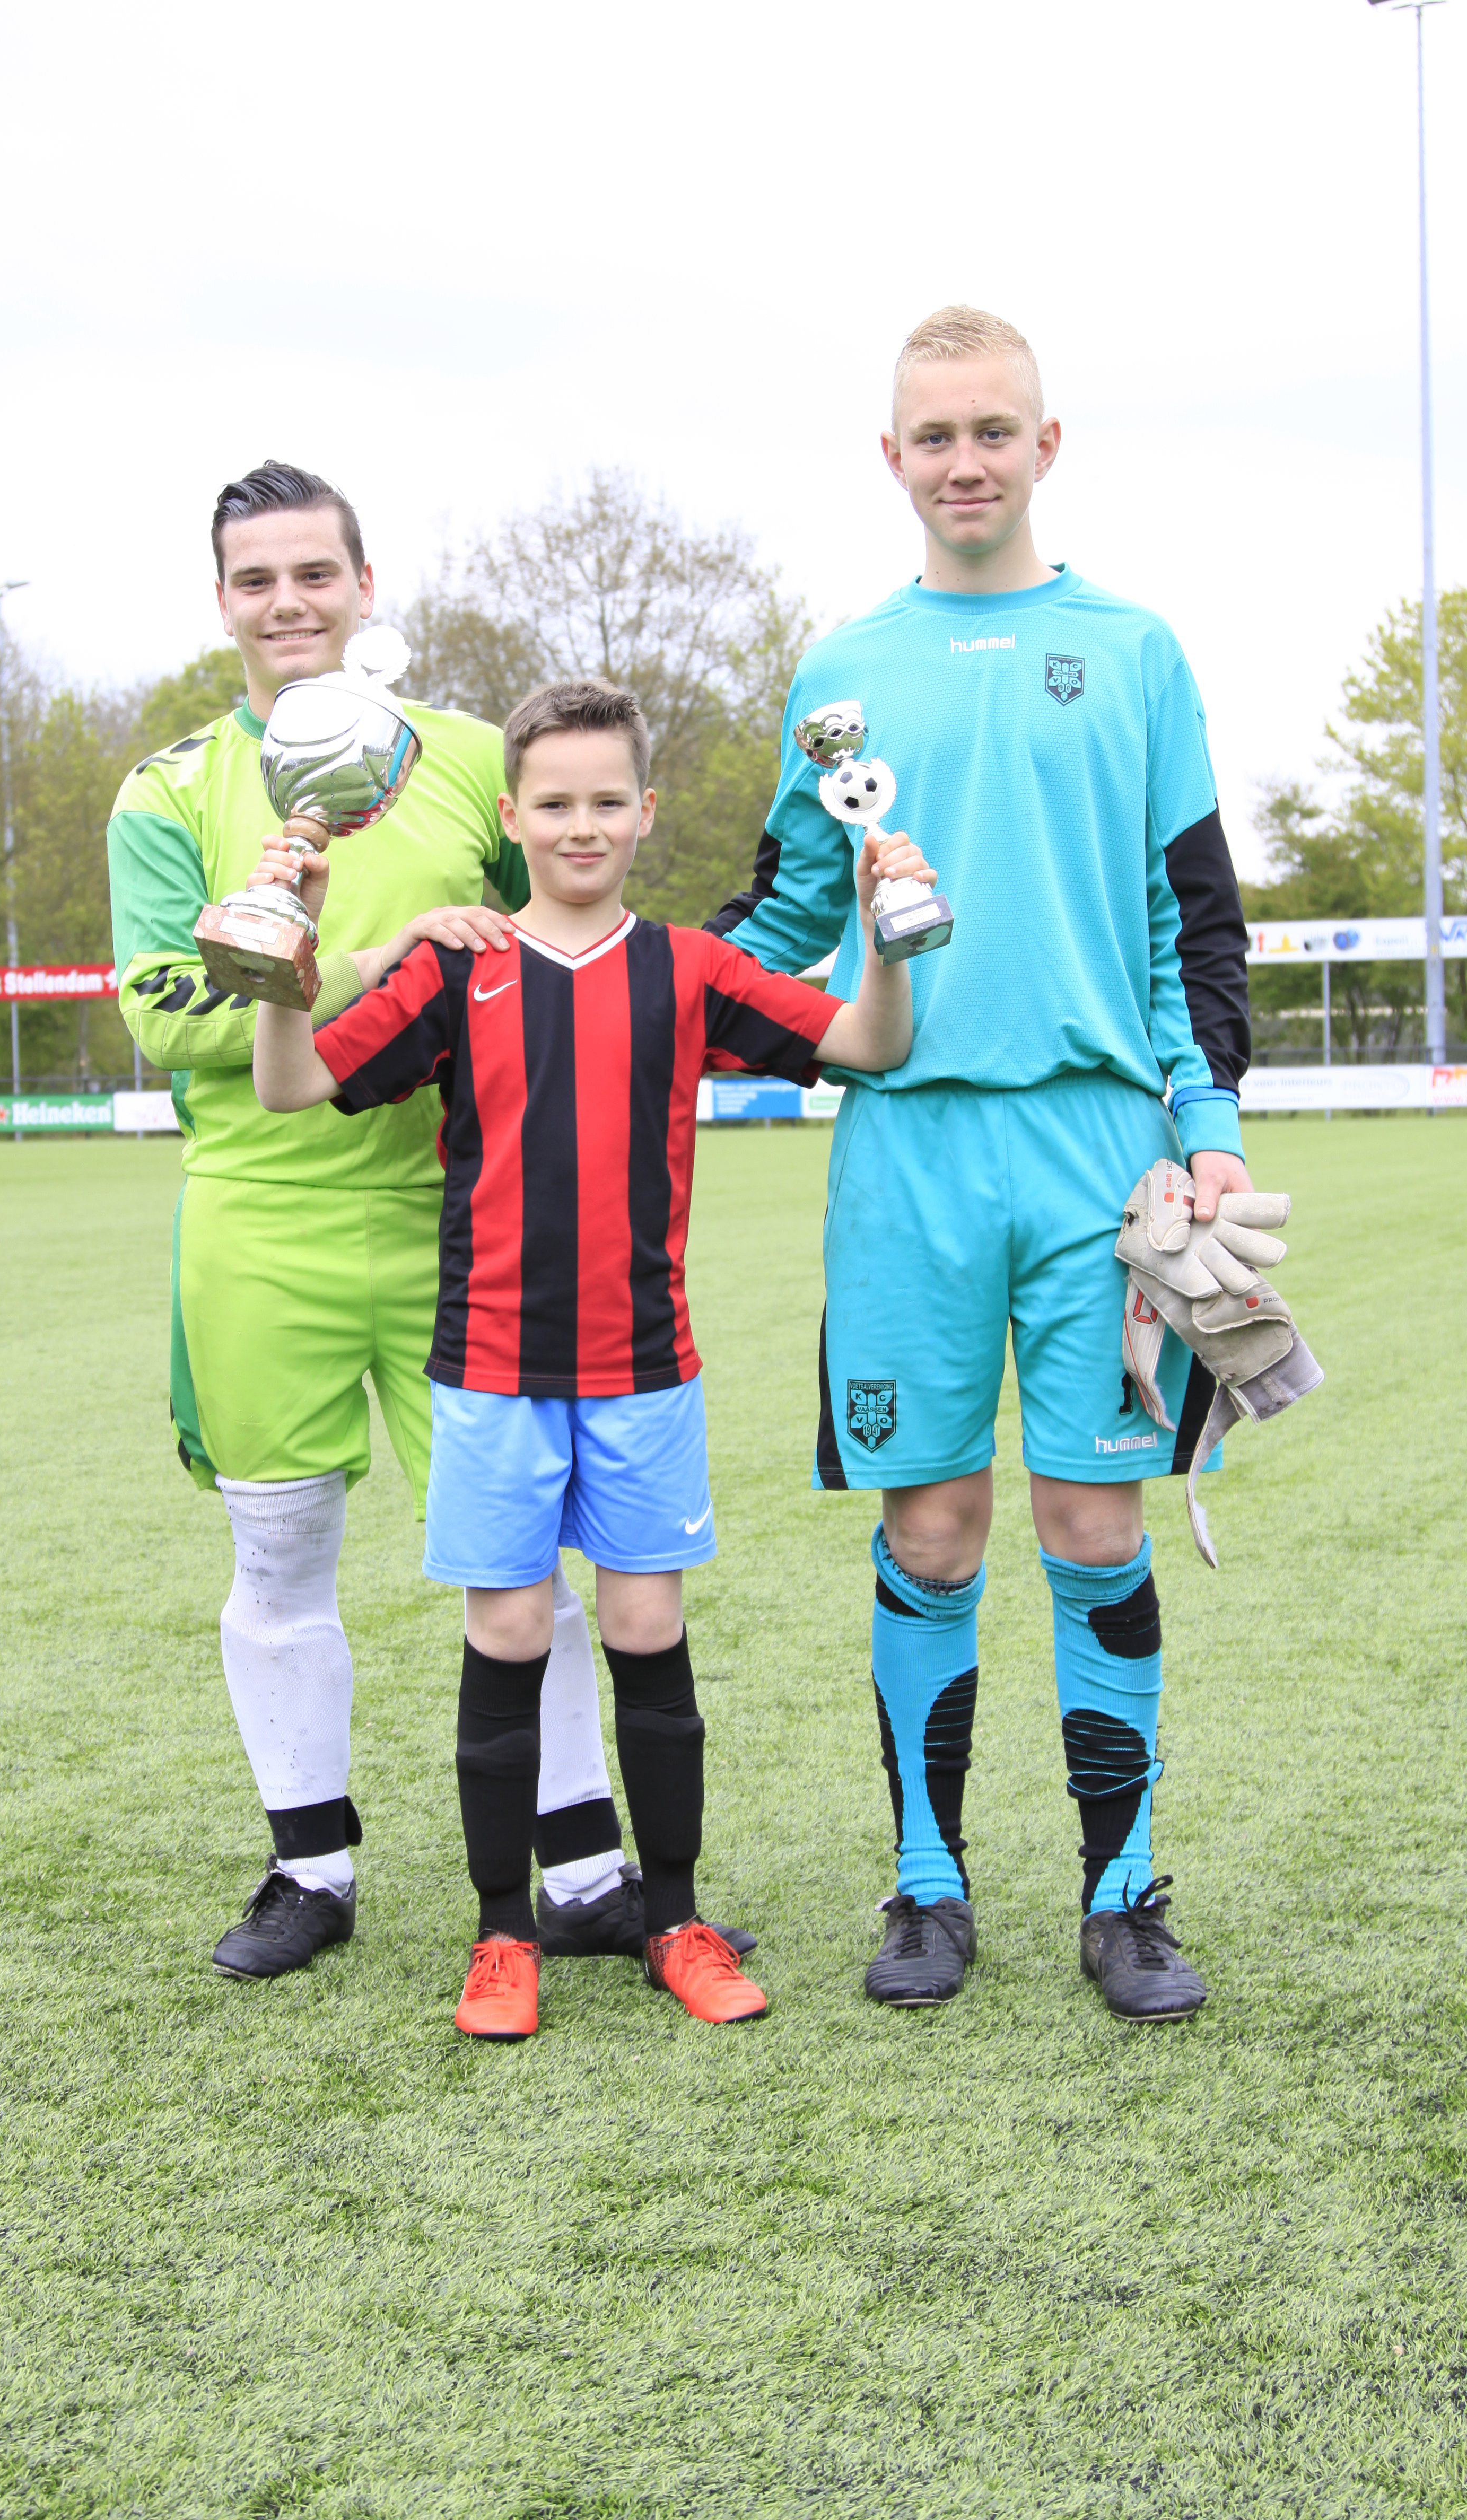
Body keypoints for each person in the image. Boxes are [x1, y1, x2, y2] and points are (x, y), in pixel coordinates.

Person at [710, 307, 1255, 2022]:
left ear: (1043, 444)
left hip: (1097, 1157)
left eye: (989, 431)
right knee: (931, 1526)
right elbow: (786, 923)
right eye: (931, 434)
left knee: (1092, 1519)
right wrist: (623, 991)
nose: (962, 460)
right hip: (907, 1156)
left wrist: (1208, 1131)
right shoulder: (837, 676)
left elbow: (1195, 929)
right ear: (890, 457)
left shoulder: (1135, 650)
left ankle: (1118, 1896)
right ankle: (926, 1886)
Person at [248, 678, 933, 2038]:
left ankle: (672, 1915)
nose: (580, 825)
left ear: (643, 814)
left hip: (644, 1369)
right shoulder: (457, 965)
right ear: (514, 815)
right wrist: (290, 953)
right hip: (491, 1369)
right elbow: (293, 1084)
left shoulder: (690, 968)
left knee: (644, 1630)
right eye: (553, 803)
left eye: (605, 802)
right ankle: (505, 1936)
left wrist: (882, 926)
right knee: (506, 1633)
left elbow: (869, 1042)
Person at [107, 463, 639, 1979]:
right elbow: (163, 1012)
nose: (288, 604)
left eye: (314, 576)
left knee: (516, 1557)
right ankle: (312, 1867)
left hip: (454, 1216)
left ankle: (586, 1866)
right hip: (259, 1220)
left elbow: (557, 929)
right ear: (224, 602)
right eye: (257, 580)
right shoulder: (165, 792)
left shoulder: (477, 760)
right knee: (280, 1552)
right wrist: (378, 957)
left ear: (365, 584)